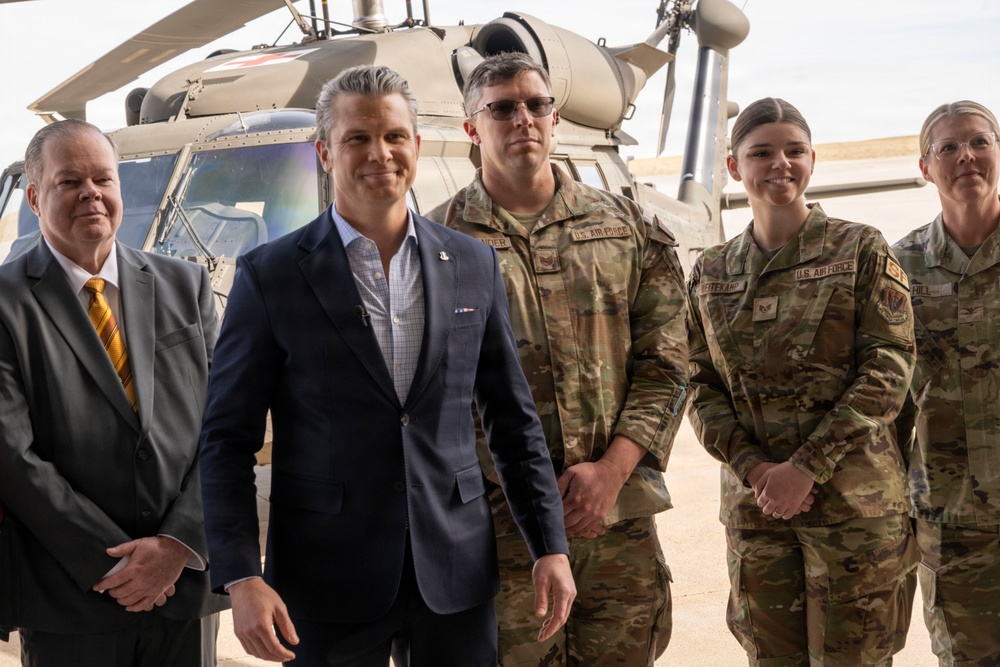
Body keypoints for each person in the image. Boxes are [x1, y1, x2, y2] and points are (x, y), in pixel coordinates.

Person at [198, 64, 575, 666]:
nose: (381, 153)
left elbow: (512, 420)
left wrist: (548, 546)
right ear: (325, 152)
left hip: (454, 575)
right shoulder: (269, 276)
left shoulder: (475, 264)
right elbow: (225, 440)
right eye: (358, 138)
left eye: (395, 136)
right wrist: (242, 576)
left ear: (417, 145)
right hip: (324, 583)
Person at [427, 52, 687, 666]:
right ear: (472, 126)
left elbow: (670, 361)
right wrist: (531, 493)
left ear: (554, 115)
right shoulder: (436, 245)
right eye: (502, 108)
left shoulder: (625, 227)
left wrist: (613, 473)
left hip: (616, 522)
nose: (524, 119)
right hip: (499, 531)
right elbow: (429, 389)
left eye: (537, 104)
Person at [686, 97, 919, 666]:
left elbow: (888, 368)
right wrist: (758, 470)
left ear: (812, 160)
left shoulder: (860, 249)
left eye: (793, 151)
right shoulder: (712, 272)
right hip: (758, 513)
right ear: (735, 166)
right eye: (761, 153)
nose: (779, 165)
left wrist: (806, 467)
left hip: (854, 513)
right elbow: (697, 382)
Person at [0, 119, 228, 666]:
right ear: (34, 197)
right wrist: (117, 566)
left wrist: (178, 544)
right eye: (68, 181)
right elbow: (12, 457)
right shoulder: (5, 302)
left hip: (183, 588)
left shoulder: (187, 285)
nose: (91, 194)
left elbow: (227, 425)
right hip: (72, 595)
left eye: (104, 178)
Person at [892, 101, 1000, 667]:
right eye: (949, 147)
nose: (967, 157)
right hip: (952, 518)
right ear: (925, 166)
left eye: (980, 141)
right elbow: (886, 401)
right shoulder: (898, 267)